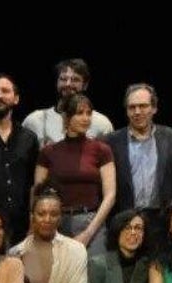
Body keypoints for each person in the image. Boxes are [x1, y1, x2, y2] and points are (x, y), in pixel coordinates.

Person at [34, 92, 116, 254]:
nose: (86, 118)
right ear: (66, 117)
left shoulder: (101, 150)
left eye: (88, 113)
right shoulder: (48, 152)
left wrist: (88, 233)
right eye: (79, 113)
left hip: (91, 221)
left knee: (93, 274)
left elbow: (110, 195)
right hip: (56, 223)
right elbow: (37, 193)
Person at [0, 73, 39, 242]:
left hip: (21, 228)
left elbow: (34, 184)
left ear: (16, 99)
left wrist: (33, 223)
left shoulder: (29, 138)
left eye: (5, 91)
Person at [104, 83, 172, 215]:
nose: (137, 112)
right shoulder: (112, 141)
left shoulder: (171, 138)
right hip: (126, 218)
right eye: (132, 107)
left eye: (143, 106)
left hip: (162, 219)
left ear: (154, 108)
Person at [21, 59, 113, 146]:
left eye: (75, 80)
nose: (68, 84)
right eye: (63, 79)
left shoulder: (101, 124)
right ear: (57, 82)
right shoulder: (34, 120)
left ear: (85, 85)